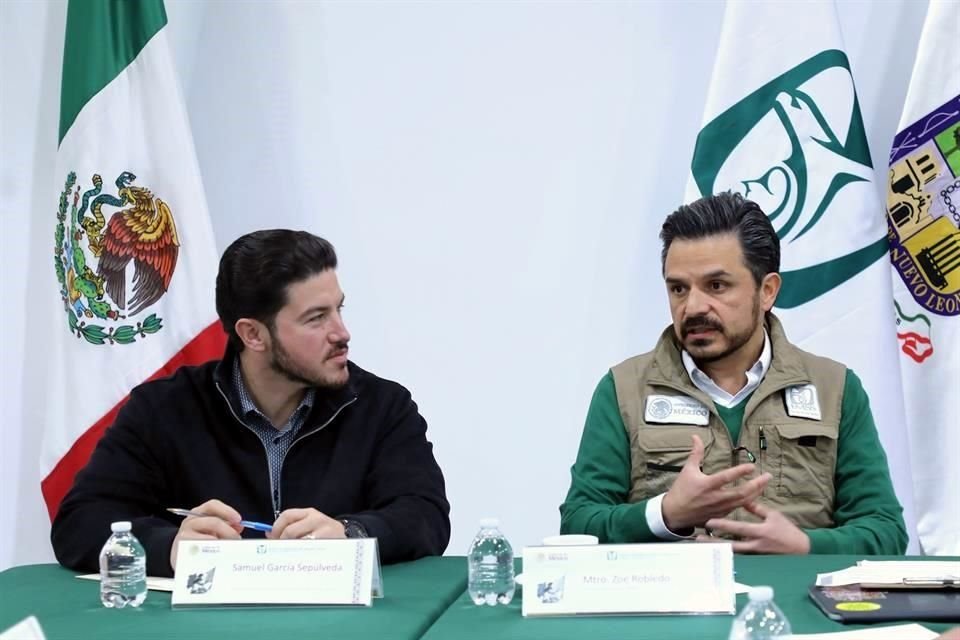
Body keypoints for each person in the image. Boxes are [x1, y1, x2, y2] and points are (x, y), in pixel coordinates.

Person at [52, 230, 450, 576]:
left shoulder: (380, 406)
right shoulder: (165, 409)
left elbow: (425, 515)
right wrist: (169, 547)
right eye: (316, 318)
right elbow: (80, 523)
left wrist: (350, 534)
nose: (341, 333)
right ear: (253, 335)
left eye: (338, 309)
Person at [560, 192, 907, 555]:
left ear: (767, 290)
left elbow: (885, 532)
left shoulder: (834, 388)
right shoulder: (624, 389)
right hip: (673, 608)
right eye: (678, 288)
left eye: (717, 286)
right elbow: (578, 524)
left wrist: (805, 545)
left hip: (800, 605)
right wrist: (665, 514)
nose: (693, 307)